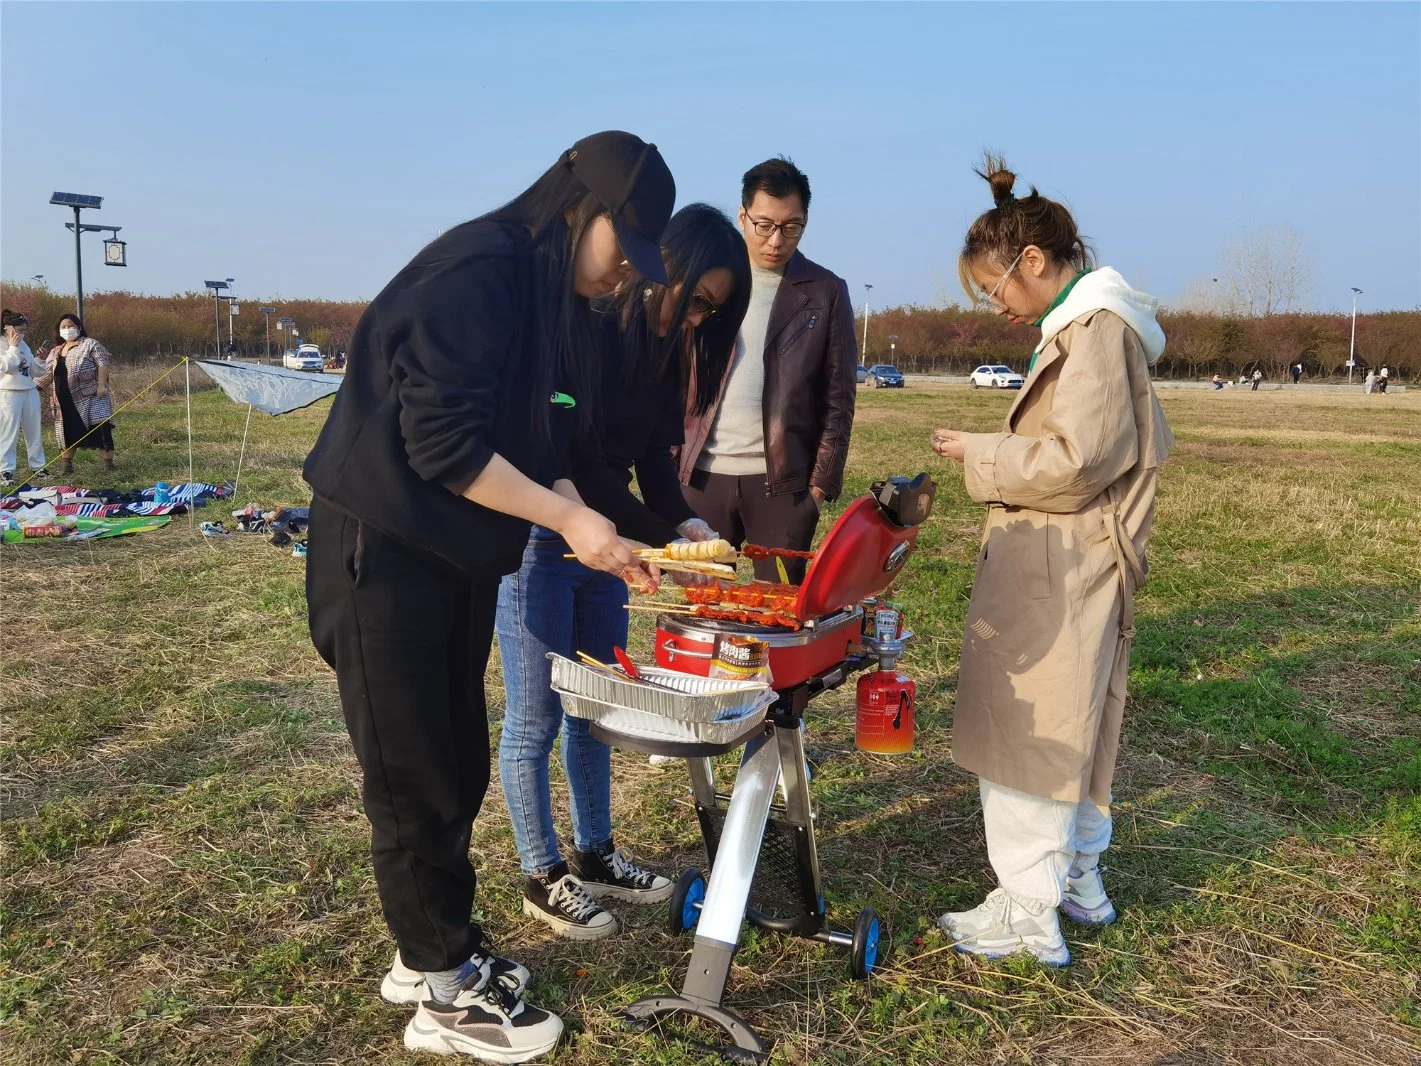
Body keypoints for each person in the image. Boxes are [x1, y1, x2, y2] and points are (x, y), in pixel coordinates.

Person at [303, 131, 674, 1062]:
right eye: (623, 250)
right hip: (381, 553)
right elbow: (443, 444)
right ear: (580, 207)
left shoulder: (551, 301)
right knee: (414, 773)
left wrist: (613, 532)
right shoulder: (481, 270)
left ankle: (431, 946)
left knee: (455, 757)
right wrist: (567, 520)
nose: (625, 275)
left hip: (454, 560)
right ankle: (441, 991)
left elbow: (556, 449)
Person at [929, 155, 1173, 967]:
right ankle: (1075, 882)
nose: (994, 306)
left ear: (1032, 263)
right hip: (1072, 562)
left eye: (994, 288)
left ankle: (1028, 909)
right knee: (1072, 725)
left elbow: (1076, 461)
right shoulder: (1092, 325)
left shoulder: (1093, 330)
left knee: (1027, 734)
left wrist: (981, 453)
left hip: (1061, 564)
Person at [495, 203, 750, 940]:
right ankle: (541, 873)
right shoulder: (585, 331)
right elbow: (575, 469)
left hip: (607, 555)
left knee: (599, 705)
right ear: (661, 267)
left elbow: (656, 480)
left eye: (714, 311)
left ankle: (596, 852)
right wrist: (657, 540)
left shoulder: (667, 361)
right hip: (545, 542)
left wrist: (687, 529)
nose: (699, 319)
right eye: (697, 299)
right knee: (535, 715)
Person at [677, 157, 857, 584]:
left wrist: (815, 491)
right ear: (742, 216)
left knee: (774, 617)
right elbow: (672, 376)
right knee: (703, 611)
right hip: (701, 478)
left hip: (782, 485)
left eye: (791, 227)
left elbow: (838, 399)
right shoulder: (710, 281)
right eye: (764, 225)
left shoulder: (825, 292)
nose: (777, 240)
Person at [37, 314, 115, 476]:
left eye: (70, 326)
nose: (67, 329)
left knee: (101, 428)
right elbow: (47, 374)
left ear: (78, 327)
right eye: (63, 327)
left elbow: (103, 363)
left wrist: (101, 385)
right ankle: (67, 466)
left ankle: (109, 465)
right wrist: (32, 387)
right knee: (67, 431)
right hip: (63, 399)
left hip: (92, 395)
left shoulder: (90, 344)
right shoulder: (55, 351)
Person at [0, 310, 48, 485]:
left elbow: (33, 371)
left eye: (24, 331)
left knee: (34, 431)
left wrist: (40, 360)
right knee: (8, 433)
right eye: (19, 330)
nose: (22, 334)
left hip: (29, 390)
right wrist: (12, 348)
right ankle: (5, 470)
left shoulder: (24, 345)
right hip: (8, 393)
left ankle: (38, 467)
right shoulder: (3, 344)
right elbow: (6, 366)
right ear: (7, 328)